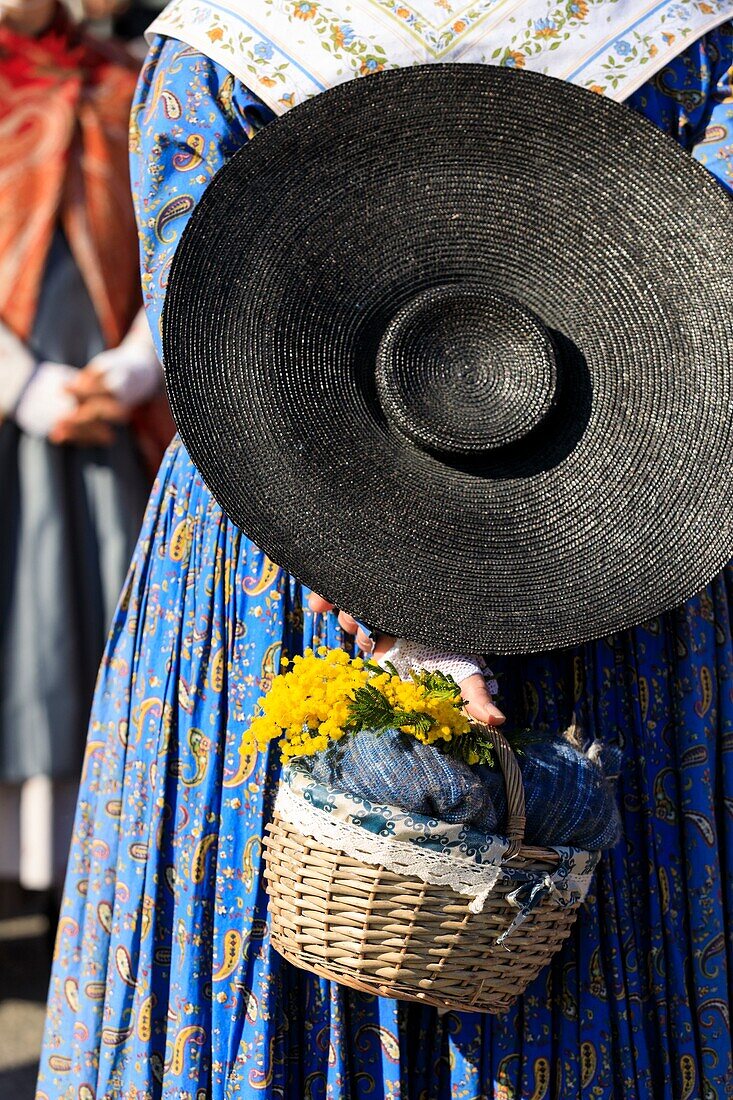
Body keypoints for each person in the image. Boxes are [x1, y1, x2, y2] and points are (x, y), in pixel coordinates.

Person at [37, 3, 733, 1098]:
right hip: (597, 542)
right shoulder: (689, 35)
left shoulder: (223, 34)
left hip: (276, 551)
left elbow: (207, 322)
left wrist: (390, 580)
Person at [0, 0, 172, 891]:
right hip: (15, 419)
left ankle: (84, 869)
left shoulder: (132, 84)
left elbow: (178, 231)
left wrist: (138, 367)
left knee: (91, 624)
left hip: (113, 421)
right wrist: (22, 386)